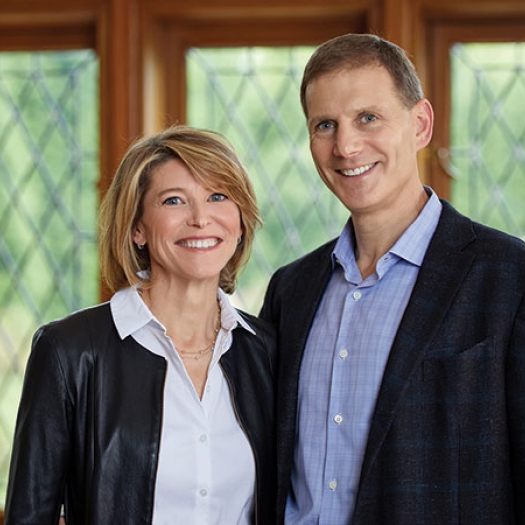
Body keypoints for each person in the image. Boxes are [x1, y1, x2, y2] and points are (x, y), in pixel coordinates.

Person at [260, 33, 525, 525]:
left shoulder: (510, 279)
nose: (345, 145)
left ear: (420, 124)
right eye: (325, 125)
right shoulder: (289, 292)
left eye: (368, 118)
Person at [4, 125, 277, 525]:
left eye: (218, 196)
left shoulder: (267, 351)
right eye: (174, 201)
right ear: (137, 228)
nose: (201, 218)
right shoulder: (69, 353)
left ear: (239, 221)